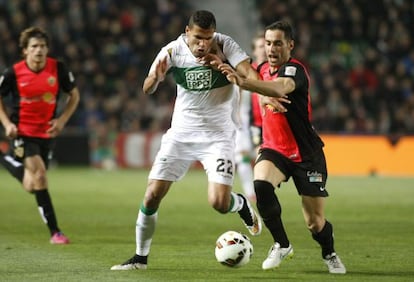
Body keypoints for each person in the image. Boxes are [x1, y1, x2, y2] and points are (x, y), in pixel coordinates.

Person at [110, 10, 262, 270]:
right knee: (151, 196)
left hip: (218, 137)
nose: (203, 44)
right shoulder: (172, 51)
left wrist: (232, 72)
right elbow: (147, 87)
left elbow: (251, 76)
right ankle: (140, 258)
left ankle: (240, 204)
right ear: (186, 32)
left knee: (219, 203)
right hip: (181, 135)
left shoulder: (226, 45)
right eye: (198, 38)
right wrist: (155, 79)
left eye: (208, 38)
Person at [219, 21, 346, 274]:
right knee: (261, 185)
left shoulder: (295, 70)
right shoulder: (262, 69)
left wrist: (245, 84)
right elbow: (257, 81)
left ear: (290, 45)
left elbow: (280, 87)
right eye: (267, 43)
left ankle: (329, 253)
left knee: (314, 223)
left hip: (306, 154)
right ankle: (281, 244)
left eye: (277, 43)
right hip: (274, 149)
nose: (271, 48)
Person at [0, 27, 80, 244]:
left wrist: (62, 120)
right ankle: (55, 232)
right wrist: (7, 123)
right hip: (23, 132)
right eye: (34, 46)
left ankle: (5, 159)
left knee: (32, 184)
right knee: (41, 176)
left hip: (47, 133)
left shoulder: (58, 69)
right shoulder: (13, 73)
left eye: (43, 46)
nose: (39, 50)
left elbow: (74, 94)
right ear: (25, 51)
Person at [233, 32, 268, 203]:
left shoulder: (275, 70)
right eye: (261, 46)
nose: (265, 50)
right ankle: (251, 193)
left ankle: (262, 191)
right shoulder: (248, 71)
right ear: (254, 51)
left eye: (267, 45)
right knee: (243, 155)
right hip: (249, 122)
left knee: (264, 160)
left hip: (270, 122)